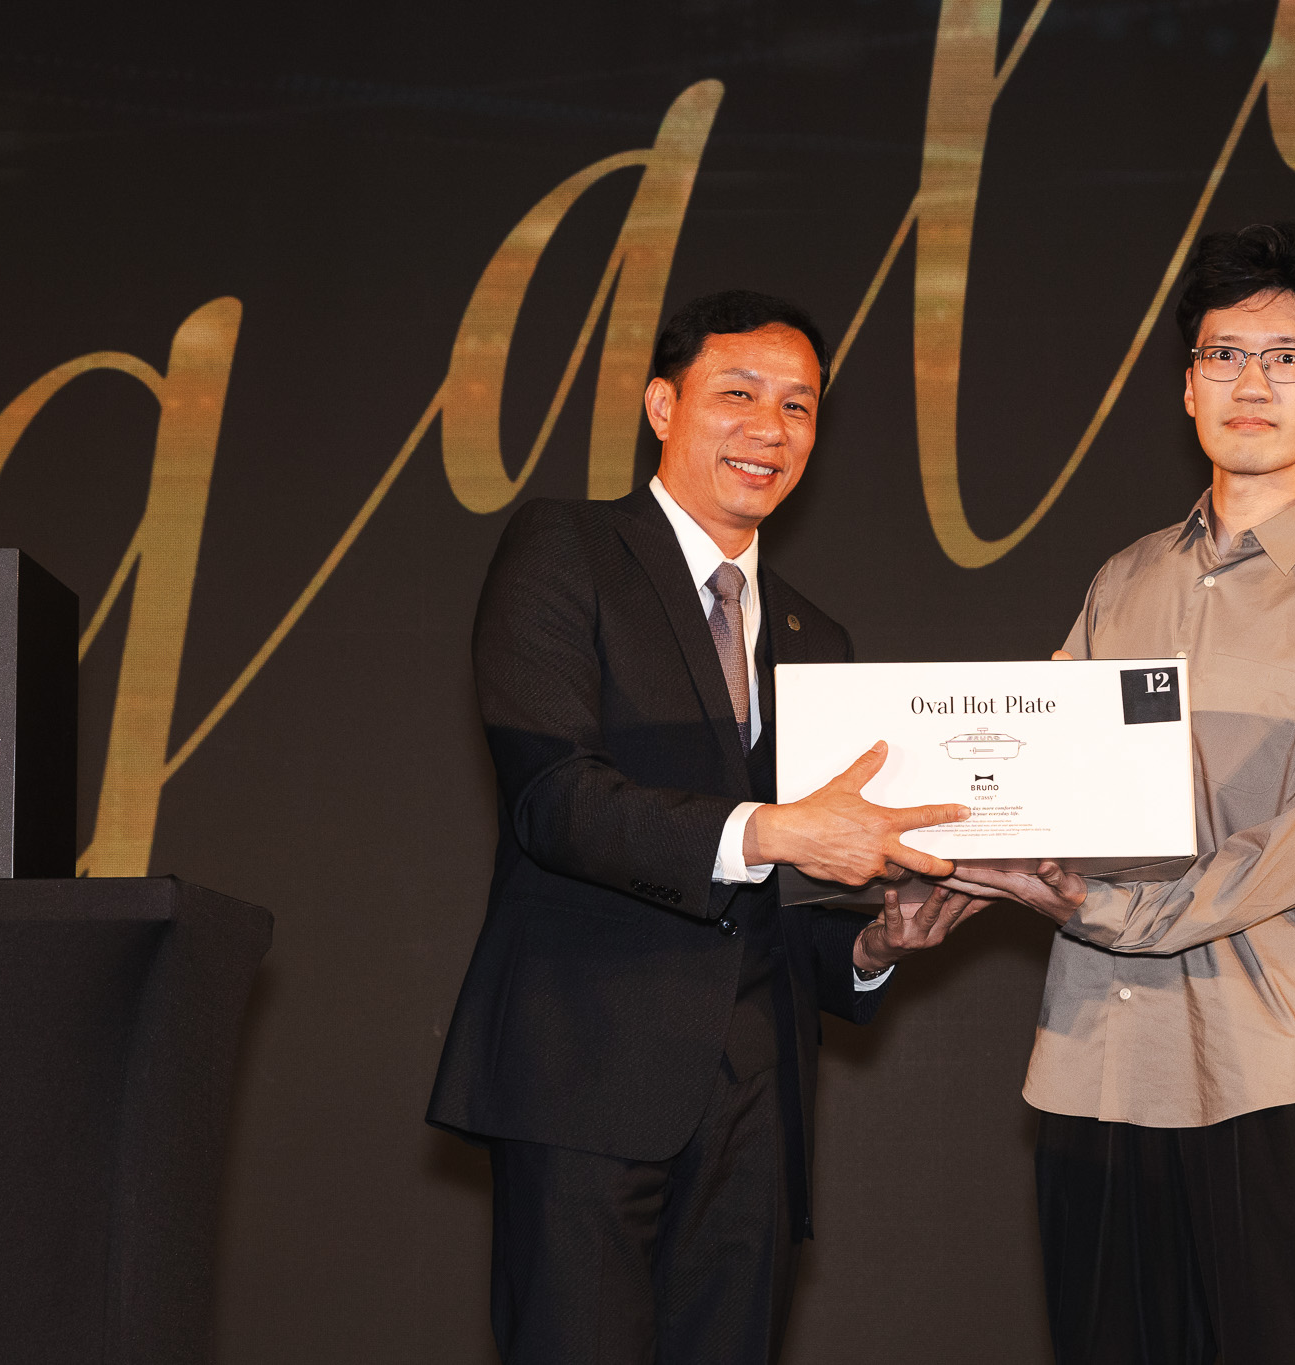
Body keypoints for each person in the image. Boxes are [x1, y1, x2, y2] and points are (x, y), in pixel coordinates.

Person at [428, 289, 986, 1364]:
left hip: (758, 1106)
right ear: (661, 405)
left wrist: (872, 944)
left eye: (798, 407)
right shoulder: (566, 549)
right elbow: (555, 798)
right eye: (738, 394)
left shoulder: (815, 638)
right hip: (587, 1075)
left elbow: (795, 894)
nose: (769, 429)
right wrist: (772, 831)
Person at [945, 223, 1295, 1365]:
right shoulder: (1123, 581)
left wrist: (1103, 909)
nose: (1250, 383)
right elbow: (1037, 784)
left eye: (1287, 357)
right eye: (1224, 355)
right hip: (1098, 1070)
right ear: (1186, 384)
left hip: (1277, 1067)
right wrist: (935, 878)